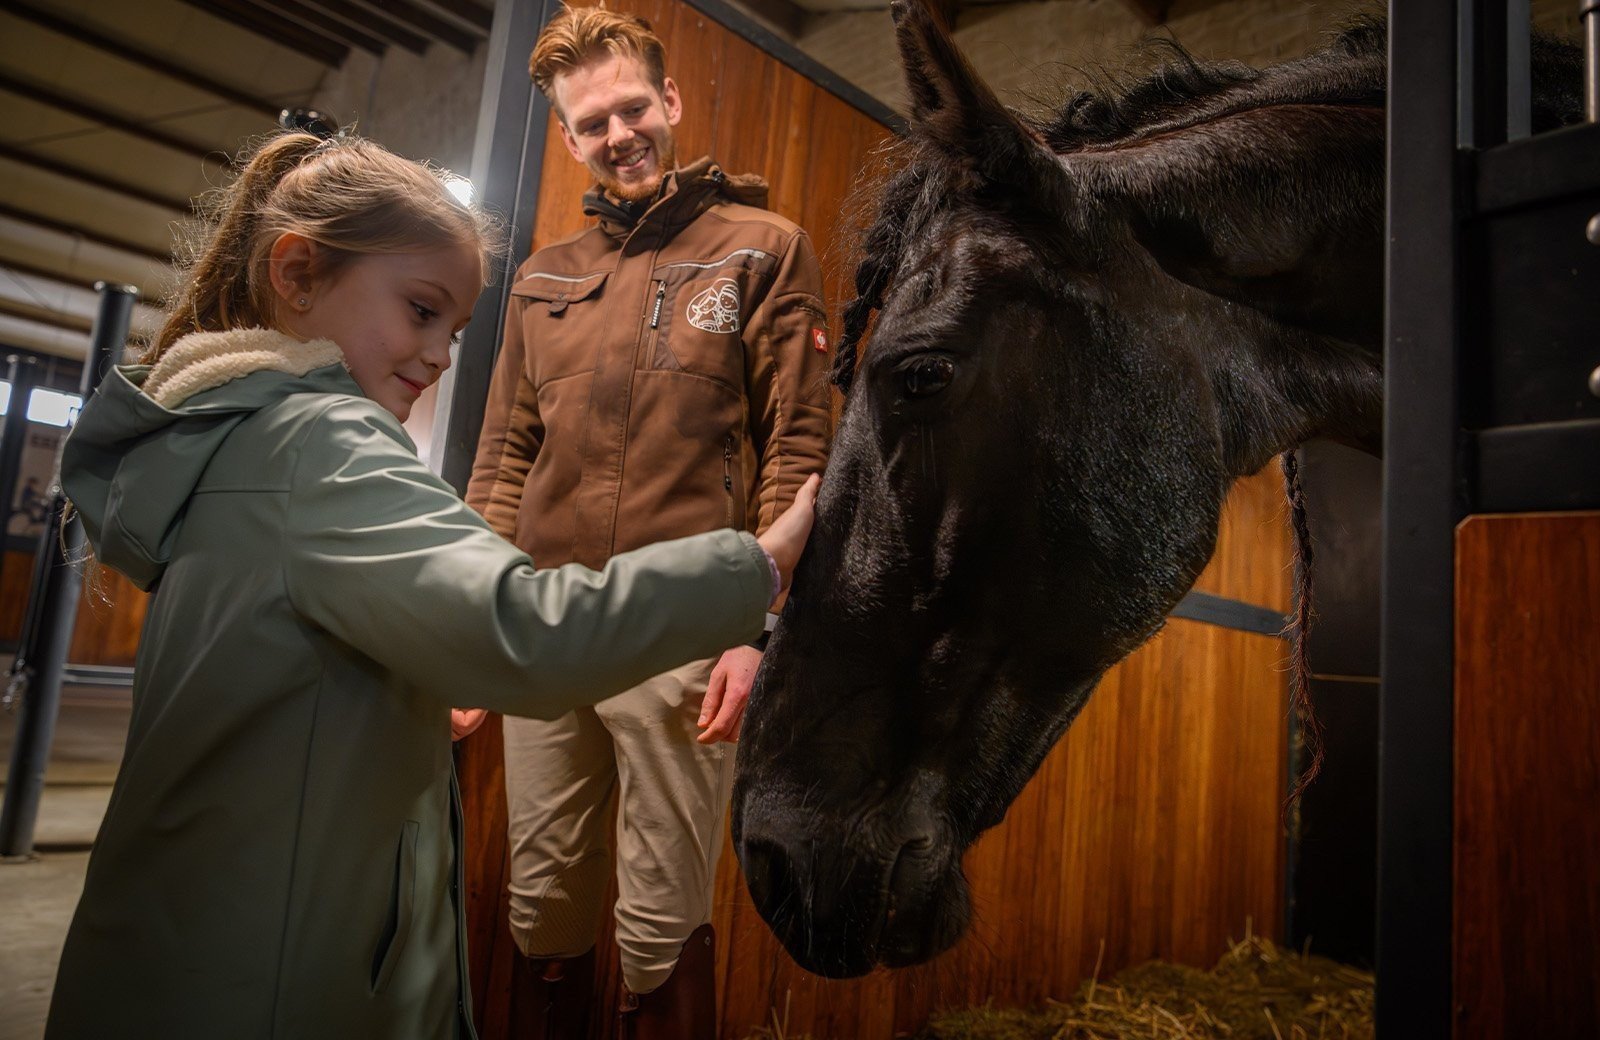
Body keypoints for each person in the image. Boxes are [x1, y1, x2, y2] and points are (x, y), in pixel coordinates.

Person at [43, 130, 818, 1040]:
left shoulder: (231, 439)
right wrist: (758, 567)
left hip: (200, 943)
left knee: (657, 907)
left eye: (453, 329)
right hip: (283, 975)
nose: (442, 353)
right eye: (419, 311)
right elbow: (520, 625)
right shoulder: (324, 444)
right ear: (298, 273)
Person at [465, 6, 833, 1037]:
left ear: (669, 102)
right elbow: (501, 459)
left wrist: (753, 629)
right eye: (592, 122)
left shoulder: (764, 249)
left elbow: (797, 451)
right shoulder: (541, 277)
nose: (617, 133)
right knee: (540, 902)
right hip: (544, 629)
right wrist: (468, 632)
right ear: (568, 137)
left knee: (657, 916)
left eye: (632, 107)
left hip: (682, 632)